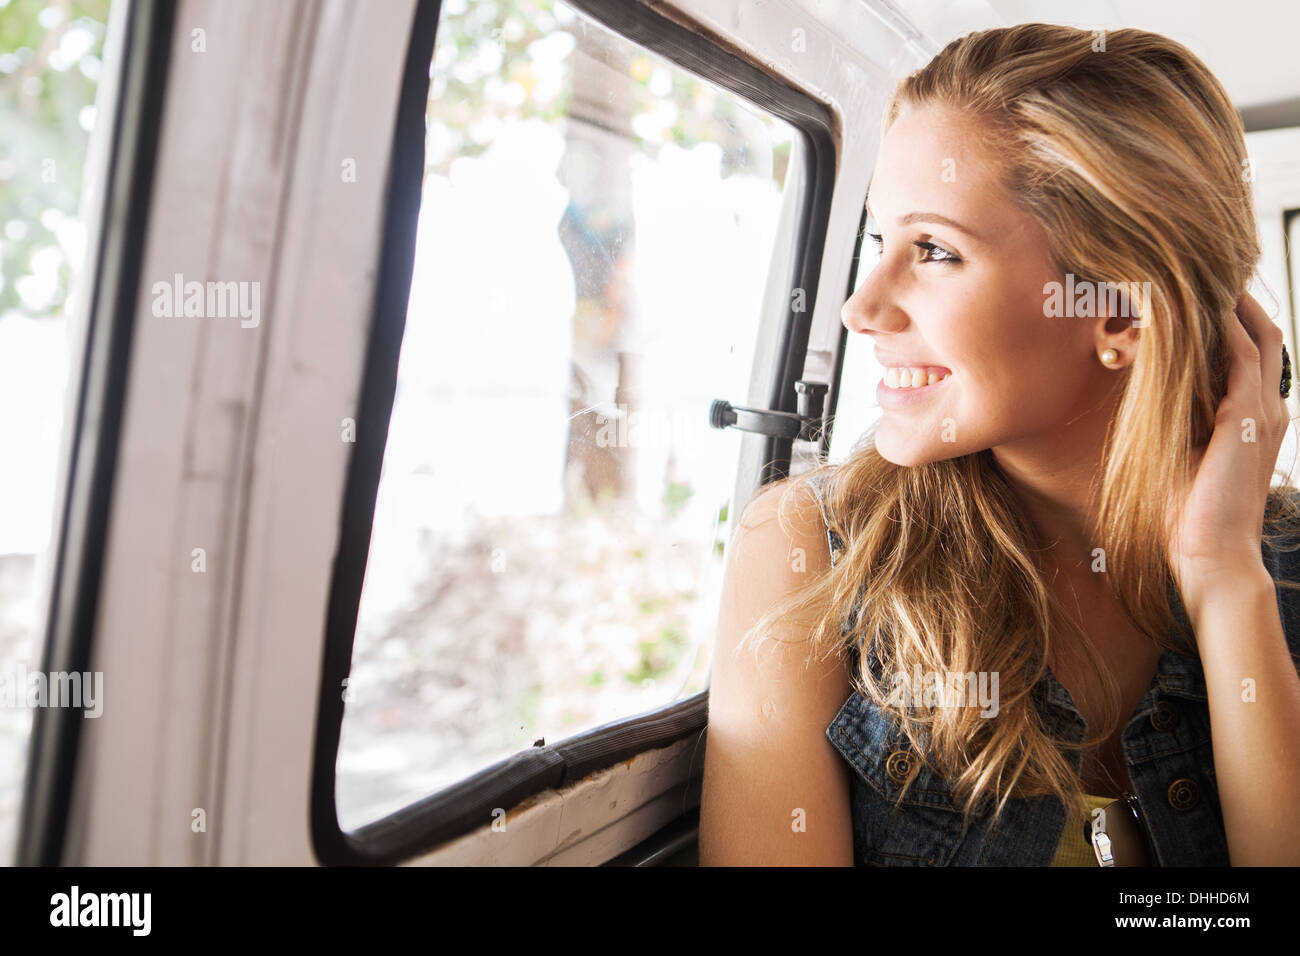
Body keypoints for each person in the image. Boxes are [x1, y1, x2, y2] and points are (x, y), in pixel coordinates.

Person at [699, 23, 1300, 866]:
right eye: (881, 242)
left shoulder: (1288, 567)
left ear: (1121, 312)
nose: (862, 308)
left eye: (935, 250)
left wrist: (1226, 579)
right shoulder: (806, 551)